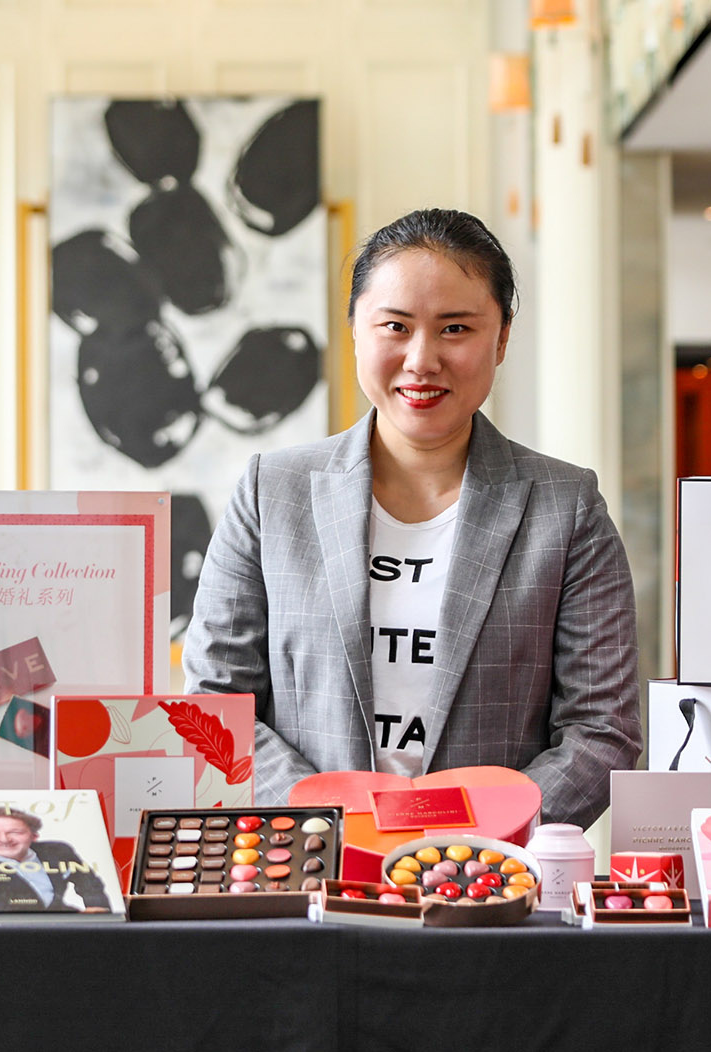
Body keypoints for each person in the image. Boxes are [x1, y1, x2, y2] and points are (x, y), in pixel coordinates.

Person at [184, 207, 640, 828]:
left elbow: (602, 731)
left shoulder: (567, 506)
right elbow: (214, 705)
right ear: (355, 331)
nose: (422, 360)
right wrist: (331, 827)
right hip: (313, 875)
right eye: (395, 326)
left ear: (501, 338)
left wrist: (476, 842)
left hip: (489, 892)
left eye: (455, 329)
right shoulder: (272, 492)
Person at [0, 807, 112, 912]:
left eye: (15, 832)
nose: (3, 839)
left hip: (57, 931)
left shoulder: (58, 850)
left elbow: (91, 885)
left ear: (34, 835)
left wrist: (98, 913)